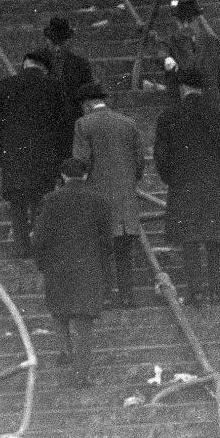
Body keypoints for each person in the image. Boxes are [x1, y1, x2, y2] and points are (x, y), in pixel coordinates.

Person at [154, 67, 220, 306]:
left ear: (182, 88)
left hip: (183, 186)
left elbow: (161, 155)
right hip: (213, 184)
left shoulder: (169, 115)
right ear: (202, 88)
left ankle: (195, 293)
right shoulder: (219, 113)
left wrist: (172, 178)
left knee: (189, 240)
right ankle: (218, 292)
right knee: (215, 240)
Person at [33, 158, 115, 388]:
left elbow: (39, 238)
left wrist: (41, 265)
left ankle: (65, 350)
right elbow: (107, 242)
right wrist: (105, 270)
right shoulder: (100, 201)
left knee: (59, 311)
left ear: (63, 176)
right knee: (84, 322)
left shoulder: (50, 200)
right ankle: (81, 375)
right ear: (86, 175)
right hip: (88, 268)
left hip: (57, 267)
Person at [72, 82, 146, 308]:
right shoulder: (128, 123)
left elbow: (80, 163)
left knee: (101, 251)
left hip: (98, 198)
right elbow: (140, 162)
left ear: (86, 103)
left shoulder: (83, 125)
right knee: (124, 251)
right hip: (125, 198)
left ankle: (104, 296)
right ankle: (128, 296)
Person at [0, 51, 68, 259]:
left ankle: (21, 248)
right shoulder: (55, 86)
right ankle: (41, 248)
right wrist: (61, 159)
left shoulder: (6, 85)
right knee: (41, 202)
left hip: (14, 158)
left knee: (17, 204)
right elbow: (63, 127)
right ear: (44, 68)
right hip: (45, 158)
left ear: (26, 64)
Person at [156, 0, 220, 111]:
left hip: (210, 105)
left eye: (189, 20)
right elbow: (161, 54)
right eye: (181, 21)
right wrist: (166, 59)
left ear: (198, 20)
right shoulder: (170, 42)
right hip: (183, 107)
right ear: (177, 22)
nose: (185, 25)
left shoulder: (212, 42)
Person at [37, 16, 94, 150]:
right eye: (53, 43)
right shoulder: (35, 62)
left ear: (69, 41)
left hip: (71, 126)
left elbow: (88, 96)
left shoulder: (80, 64)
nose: (57, 48)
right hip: (44, 125)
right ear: (47, 40)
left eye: (61, 44)